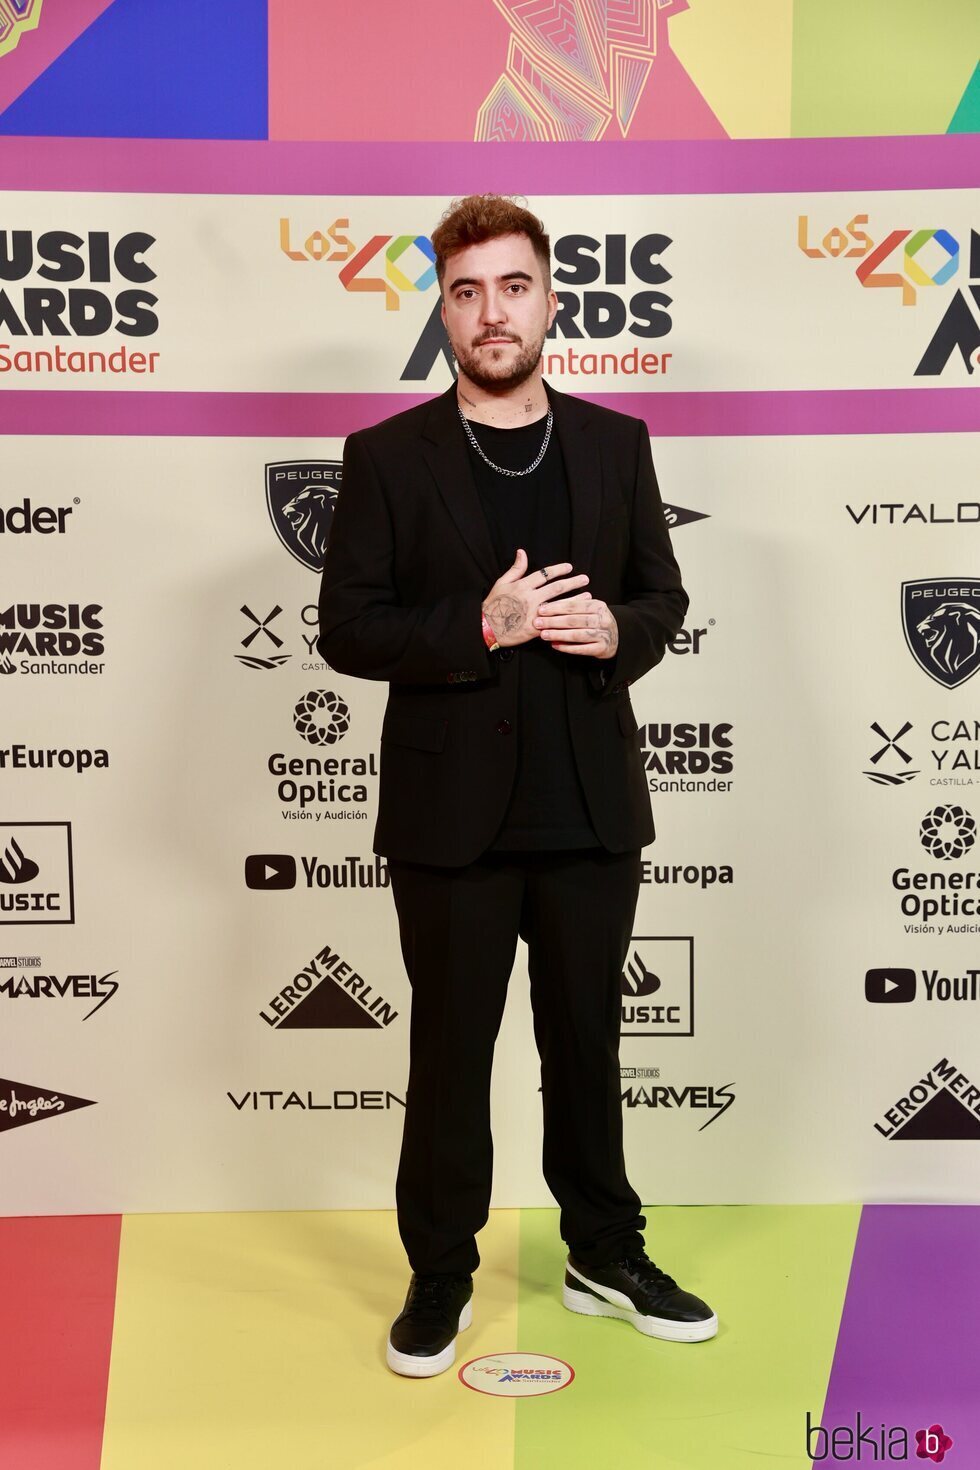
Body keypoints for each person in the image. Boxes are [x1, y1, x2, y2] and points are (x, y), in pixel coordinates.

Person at [317, 194, 717, 1378]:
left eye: (511, 286)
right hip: (450, 821)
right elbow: (347, 628)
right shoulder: (386, 456)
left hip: (589, 805)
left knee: (586, 1045)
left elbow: (661, 594)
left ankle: (603, 1252)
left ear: (549, 301)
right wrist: (477, 625)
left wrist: (622, 632)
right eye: (466, 291)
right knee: (449, 1054)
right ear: (442, 312)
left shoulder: (614, 442)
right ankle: (440, 1273)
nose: (490, 312)